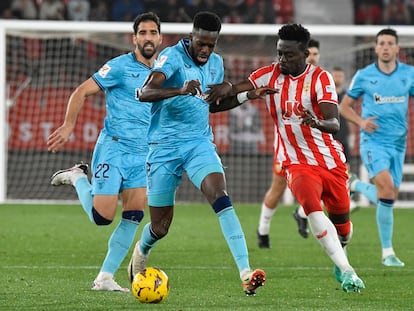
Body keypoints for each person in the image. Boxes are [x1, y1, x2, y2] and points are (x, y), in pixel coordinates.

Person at [209, 23, 365, 293]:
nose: (282, 59)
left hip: (330, 162)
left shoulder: (321, 78)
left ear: (305, 53)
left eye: (289, 55)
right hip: (297, 162)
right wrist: (241, 92)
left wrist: (315, 122)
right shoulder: (269, 75)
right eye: (279, 53)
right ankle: (348, 271)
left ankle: (342, 254)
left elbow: (334, 123)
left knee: (344, 229)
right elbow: (224, 101)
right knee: (311, 207)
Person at [128, 11, 266, 296]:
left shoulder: (216, 64)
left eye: (210, 45)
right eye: (201, 43)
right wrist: (179, 89)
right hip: (163, 148)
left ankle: (245, 273)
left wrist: (244, 96)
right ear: (191, 37)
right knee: (160, 226)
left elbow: (211, 106)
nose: (205, 50)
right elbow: (144, 92)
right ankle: (142, 250)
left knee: (220, 194)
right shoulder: (171, 58)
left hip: (198, 143)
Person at [46, 12, 162, 291]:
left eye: (153, 33)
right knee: (102, 217)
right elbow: (82, 91)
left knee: (134, 214)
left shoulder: (164, 73)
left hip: (142, 154)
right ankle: (77, 177)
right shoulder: (119, 67)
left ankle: (105, 277)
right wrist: (68, 125)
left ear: (160, 38)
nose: (148, 38)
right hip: (114, 147)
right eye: (143, 33)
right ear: (134, 38)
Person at [340, 28, 414, 267]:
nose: (385, 47)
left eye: (389, 43)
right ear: (375, 48)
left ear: (396, 48)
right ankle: (387, 252)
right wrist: (361, 122)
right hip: (373, 142)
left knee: (389, 195)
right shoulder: (364, 75)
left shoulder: (409, 74)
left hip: (398, 143)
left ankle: (356, 185)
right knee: (385, 187)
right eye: (381, 43)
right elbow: (345, 107)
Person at [256, 37, 321, 248]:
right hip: (287, 147)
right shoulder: (284, 78)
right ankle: (263, 231)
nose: (312, 57)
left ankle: (302, 213)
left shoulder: (321, 81)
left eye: (315, 54)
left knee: (323, 184)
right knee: (278, 189)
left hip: (315, 147)